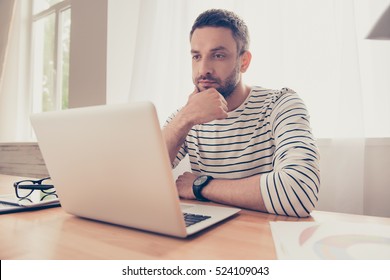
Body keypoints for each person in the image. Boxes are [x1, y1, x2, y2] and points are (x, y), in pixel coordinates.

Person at [162, 9, 320, 218]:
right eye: (196, 56)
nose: (203, 69)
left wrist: (201, 186)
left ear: (243, 61)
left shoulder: (280, 104)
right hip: (205, 240)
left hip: (262, 239)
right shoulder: (187, 116)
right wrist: (184, 119)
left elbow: (300, 192)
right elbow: (137, 181)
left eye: (218, 55)